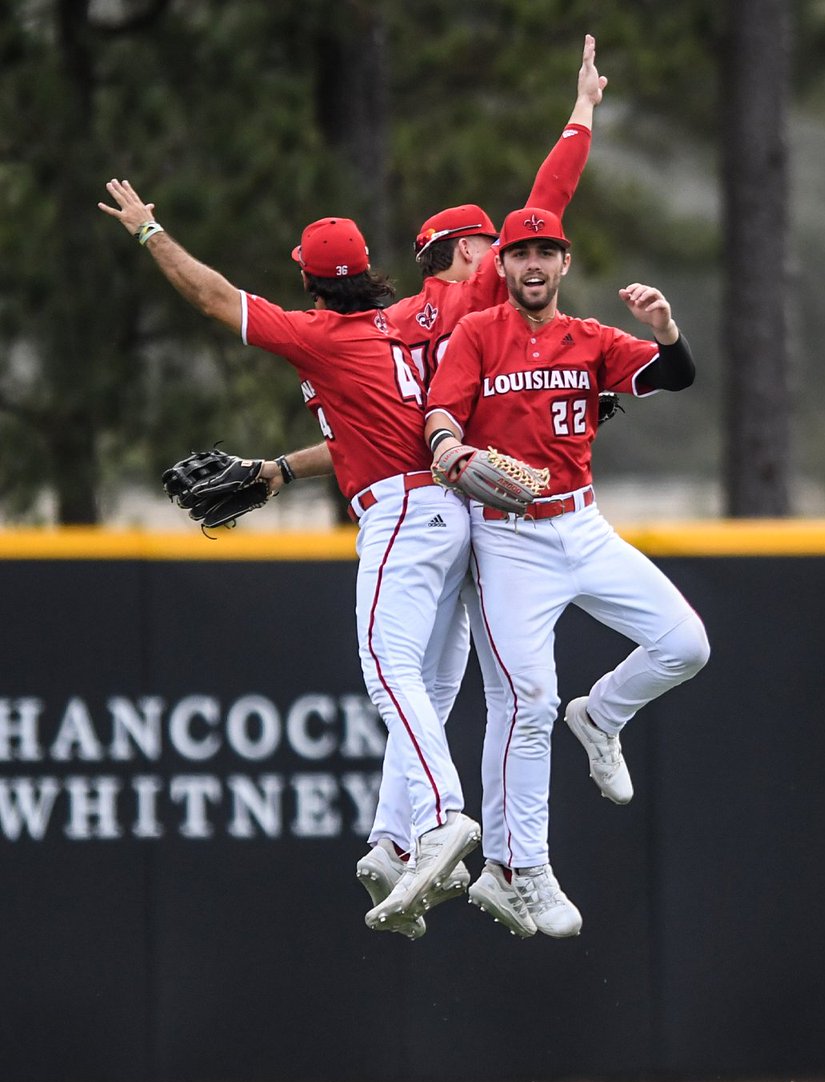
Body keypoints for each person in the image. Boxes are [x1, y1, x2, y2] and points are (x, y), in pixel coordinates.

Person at [257, 35, 607, 935]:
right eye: (487, 243)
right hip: (474, 511)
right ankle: (476, 843)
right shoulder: (472, 301)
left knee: (423, 685)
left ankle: (393, 837)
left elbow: (373, 433)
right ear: (458, 253)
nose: (503, 249)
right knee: (476, 692)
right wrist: (579, 118)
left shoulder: (381, 327)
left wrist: (276, 470)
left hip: (412, 492)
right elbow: (548, 203)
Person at [97, 184, 482, 933]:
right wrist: (275, 470)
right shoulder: (393, 332)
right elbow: (360, 438)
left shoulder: (319, 335)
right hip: (446, 512)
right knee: (428, 691)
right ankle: (392, 842)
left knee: (386, 670)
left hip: (402, 516)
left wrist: (150, 234)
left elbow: (211, 296)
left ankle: (442, 818)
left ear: (309, 279)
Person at [422, 206, 710, 939]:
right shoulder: (477, 334)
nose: (533, 264)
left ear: (565, 263)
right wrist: (451, 449)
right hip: (510, 539)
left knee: (685, 645)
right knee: (527, 701)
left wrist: (665, 328)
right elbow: (440, 416)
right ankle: (524, 870)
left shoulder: (589, 340)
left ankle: (604, 715)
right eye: (520, 254)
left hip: (581, 524)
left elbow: (676, 376)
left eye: (546, 252)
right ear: (504, 266)